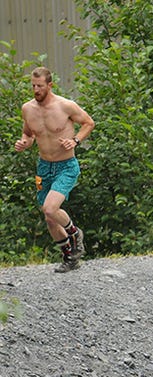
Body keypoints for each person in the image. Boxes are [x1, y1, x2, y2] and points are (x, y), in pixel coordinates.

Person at [14, 67, 95, 274]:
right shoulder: (28, 109)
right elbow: (28, 134)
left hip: (66, 165)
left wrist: (75, 140)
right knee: (49, 218)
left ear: (50, 85)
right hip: (44, 167)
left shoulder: (65, 106)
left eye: (40, 86)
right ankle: (70, 258)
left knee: (51, 208)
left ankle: (75, 234)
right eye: (33, 85)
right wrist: (24, 143)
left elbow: (88, 123)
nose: (36, 90)